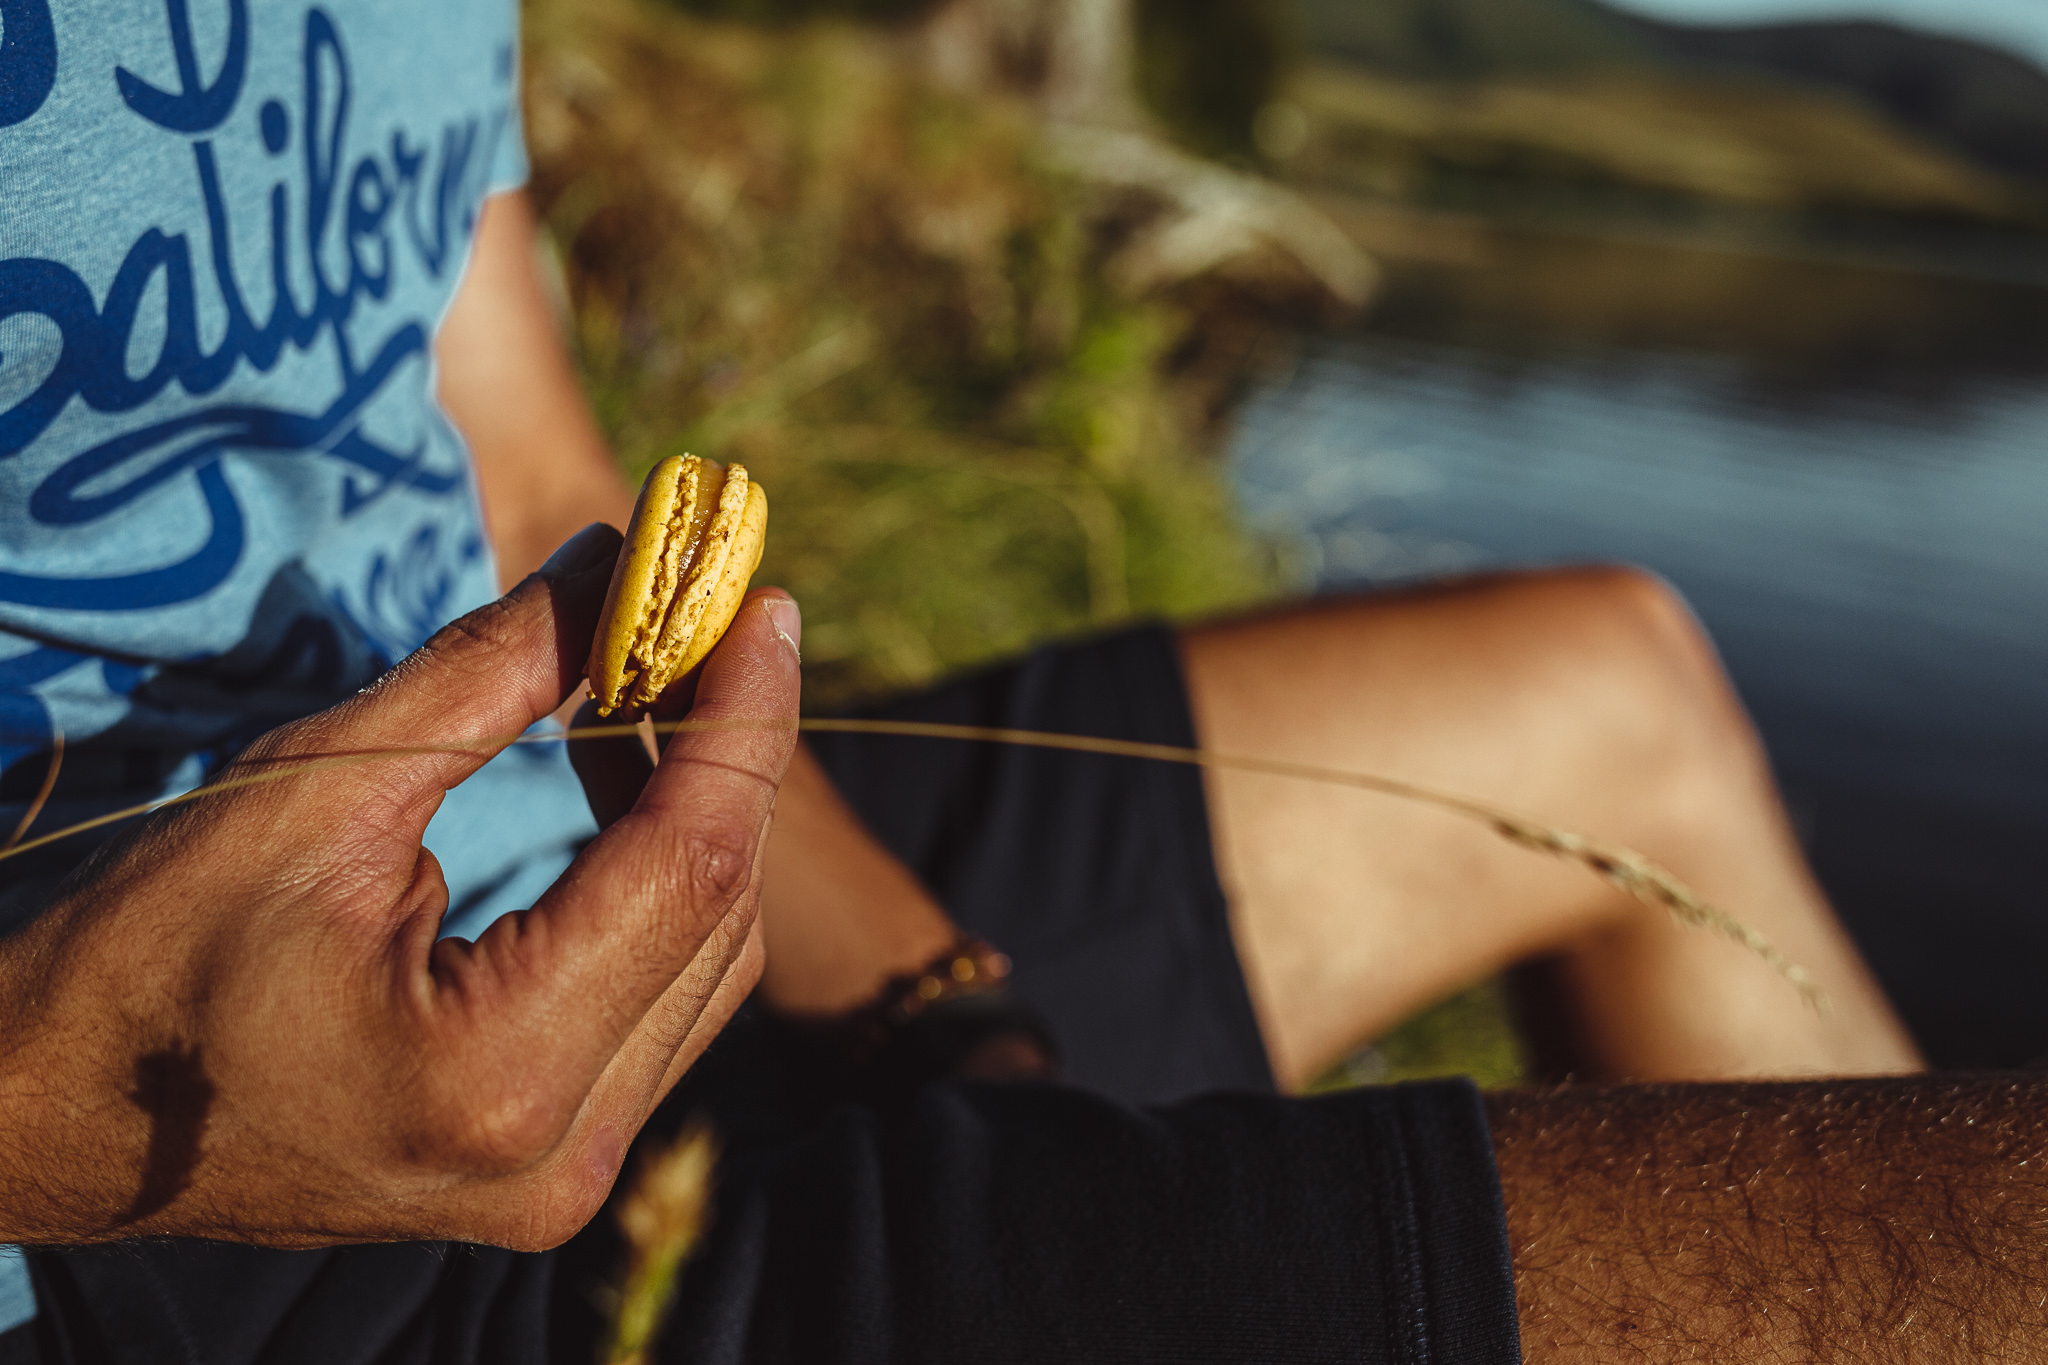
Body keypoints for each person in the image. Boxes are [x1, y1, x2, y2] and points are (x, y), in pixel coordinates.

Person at [2, 3, 2045, 1362]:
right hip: (176, 1185)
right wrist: (64, 1110)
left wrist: (941, 1006)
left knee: (1611, 688)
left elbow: (529, 466)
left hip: (556, 889)